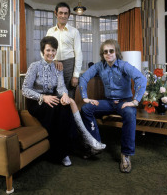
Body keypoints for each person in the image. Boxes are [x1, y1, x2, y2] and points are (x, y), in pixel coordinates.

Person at [22, 36, 105, 167]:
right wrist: (43, 97)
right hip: (37, 102)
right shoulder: (34, 66)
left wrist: (65, 95)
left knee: (65, 107)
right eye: (48, 50)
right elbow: (25, 89)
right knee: (56, 110)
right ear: (43, 51)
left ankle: (65, 152)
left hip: (53, 99)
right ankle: (61, 153)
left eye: (53, 50)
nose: (51, 53)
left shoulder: (57, 68)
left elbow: (60, 87)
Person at [79, 39, 147, 173]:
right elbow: (84, 78)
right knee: (86, 109)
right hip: (108, 102)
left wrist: (135, 101)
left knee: (129, 113)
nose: (108, 54)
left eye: (111, 51)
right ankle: (95, 145)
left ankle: (126, 155)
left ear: (116, 52)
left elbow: (141, 78)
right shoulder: (99, 66)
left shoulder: (124, 65)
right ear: (102, 54)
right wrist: (85, 97)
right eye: (105, 52)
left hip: (124, 102)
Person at [46, 2, 82, 99]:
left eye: (65, 13)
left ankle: (69, 114)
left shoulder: (74, 32)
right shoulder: (50, 31)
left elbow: (78, 53)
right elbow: (45, 51)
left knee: (69, 94)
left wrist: (76, 75)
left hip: (69, 64)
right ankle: (57, 114)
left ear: (69, 15)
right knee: (55, 93)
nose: (63, 16)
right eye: (60, 13)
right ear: (56, 13)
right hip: (54, 64)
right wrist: (53, 61)